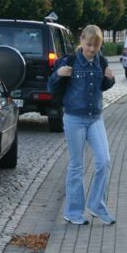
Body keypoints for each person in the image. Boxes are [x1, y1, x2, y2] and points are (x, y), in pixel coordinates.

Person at [47, 24, 116, 226]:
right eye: (88, 45)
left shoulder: (100, 62)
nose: (92, 49)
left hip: (95, 117)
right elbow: (51, 87)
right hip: (74, 118)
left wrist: (110, 79)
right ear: (81, 41)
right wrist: (59, 73)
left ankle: (96, 204)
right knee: (77, 166)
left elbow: (103, 86)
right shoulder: (69, 61)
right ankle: (73, 212)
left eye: (96, 45)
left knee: (104, 161)